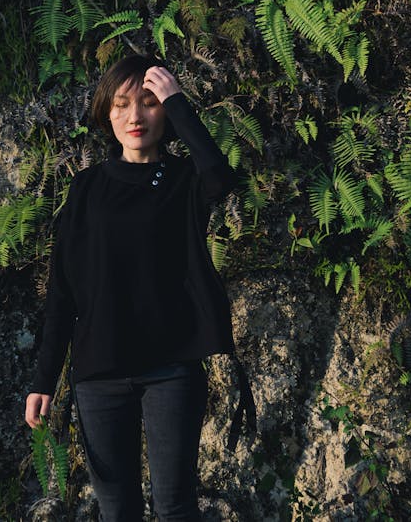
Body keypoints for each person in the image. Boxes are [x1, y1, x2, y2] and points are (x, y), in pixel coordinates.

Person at [25, 55, 255, 521]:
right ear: (106, 112)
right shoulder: (85, 190)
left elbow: (219, 175)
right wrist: (44, 379)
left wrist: (179, 100)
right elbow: (62, 292)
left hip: (170, 370)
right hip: (99, 376)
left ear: (165, 113)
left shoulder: (183, 181)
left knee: (175, 508)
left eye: (149, 104)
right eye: (123, 104)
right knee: (117, 511)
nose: (135, 116)